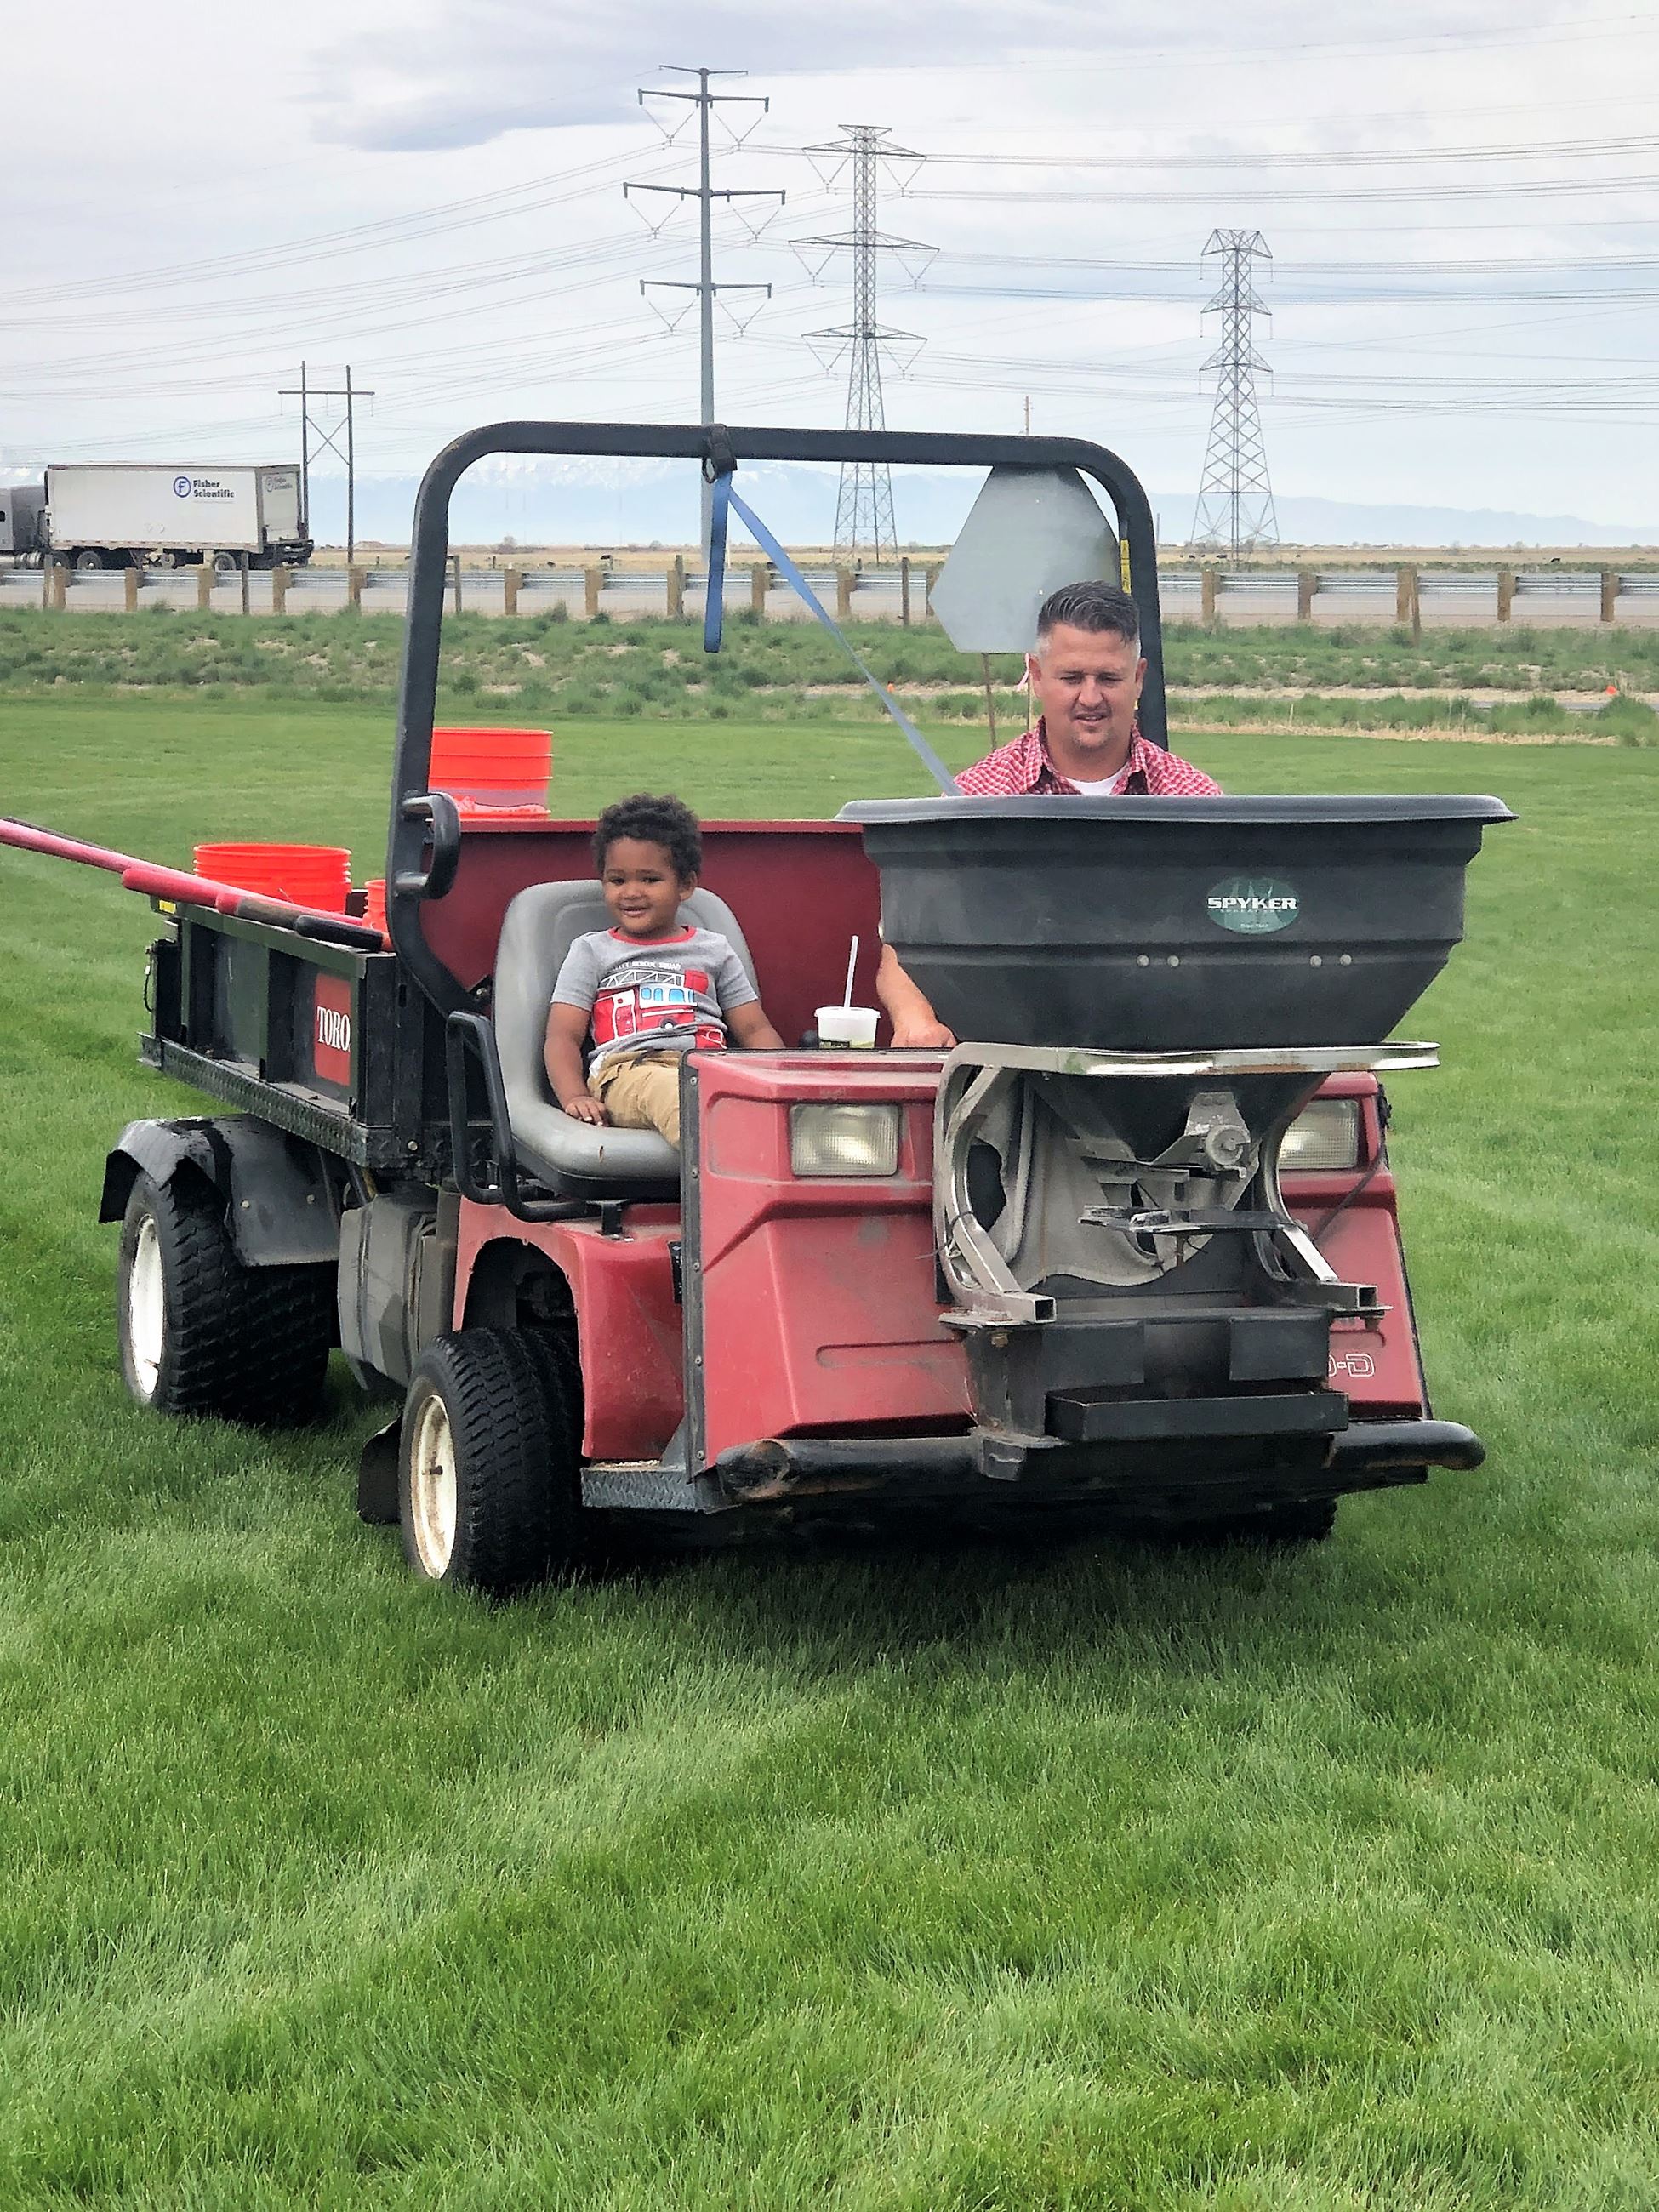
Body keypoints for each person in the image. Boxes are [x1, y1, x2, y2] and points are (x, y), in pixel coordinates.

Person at [877, 578, 1223, 1048]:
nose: (1091, 698)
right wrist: (917, 1022)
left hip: (1155, 1052)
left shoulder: (1196, 802)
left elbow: (1230, 947)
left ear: (1139, 678)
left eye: (1109, 678)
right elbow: (907, 949)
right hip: (1009, 1059)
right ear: (1036, 675)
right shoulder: (975, 800)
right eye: (1072, 678)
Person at [544, 793, 784, 1149]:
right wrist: (575, 1097)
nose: (632, 893)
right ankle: (724, 1161)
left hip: (711, 1070)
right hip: (629, 1071)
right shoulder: (591, 951)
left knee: (747, 1103)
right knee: (676, 1096)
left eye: (650, 880)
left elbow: (754, 1028)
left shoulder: (713, 950)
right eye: (617, 880)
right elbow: (562, 1036)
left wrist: (782, 1084)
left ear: (685, 885)